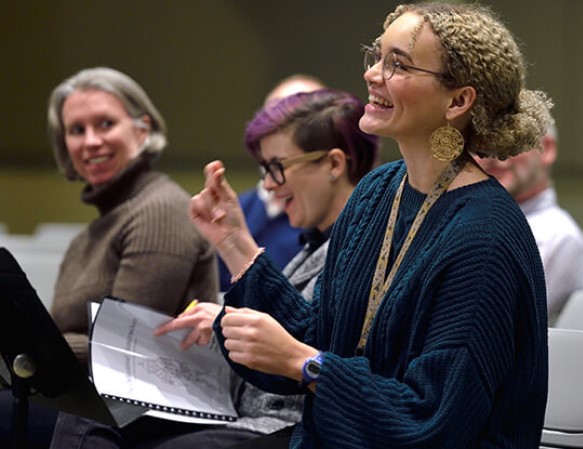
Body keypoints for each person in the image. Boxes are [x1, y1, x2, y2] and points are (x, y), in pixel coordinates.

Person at [189, 3, 552, 447]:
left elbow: (432, 420)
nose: (372, 74)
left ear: (458, 101)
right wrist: (233, 242)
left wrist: (306, 363)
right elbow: (319, 336)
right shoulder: (377, 191)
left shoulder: (486, 236)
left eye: (396, 64)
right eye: (376, 56)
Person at [49, 89, 380, 449]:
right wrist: (226, 313)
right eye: (264, 169)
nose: (268, 185)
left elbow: (316, 345)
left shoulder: (366, 250)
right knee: (89, 418)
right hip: (239, 405)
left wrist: (229, 314)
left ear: (333, 164)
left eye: (276, 167)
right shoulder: (313, 245)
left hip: (290, 423)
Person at [0, 67, 219, 449]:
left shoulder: (159, 210)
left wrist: (40, 349)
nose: (91, 141)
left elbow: (122, 346)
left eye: (105, 123)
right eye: (76, 130)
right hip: (88, 397)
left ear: (142, 129)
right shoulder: (88, 236)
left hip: (147, 407)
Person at [217, 74, 327, 292]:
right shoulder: (238, 209)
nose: (280, 131)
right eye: (273, 118)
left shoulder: (332, 220)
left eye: (298, 120)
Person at [477, 123, 583, 317]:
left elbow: (499, 328)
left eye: (510, 141)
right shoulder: (462, 222)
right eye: (479, 143)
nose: (493, 156)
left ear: (546, 149)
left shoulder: (557, 237)